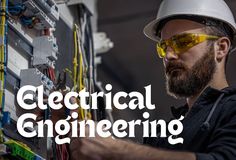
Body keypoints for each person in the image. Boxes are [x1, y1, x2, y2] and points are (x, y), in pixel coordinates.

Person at [69, 0, 236, 159]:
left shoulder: (231, 109)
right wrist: (72, 127)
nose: (169, 55)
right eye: (164, 46)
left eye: (183, 41)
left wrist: (116, 149)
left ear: (220, 48)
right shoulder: (163, 133)